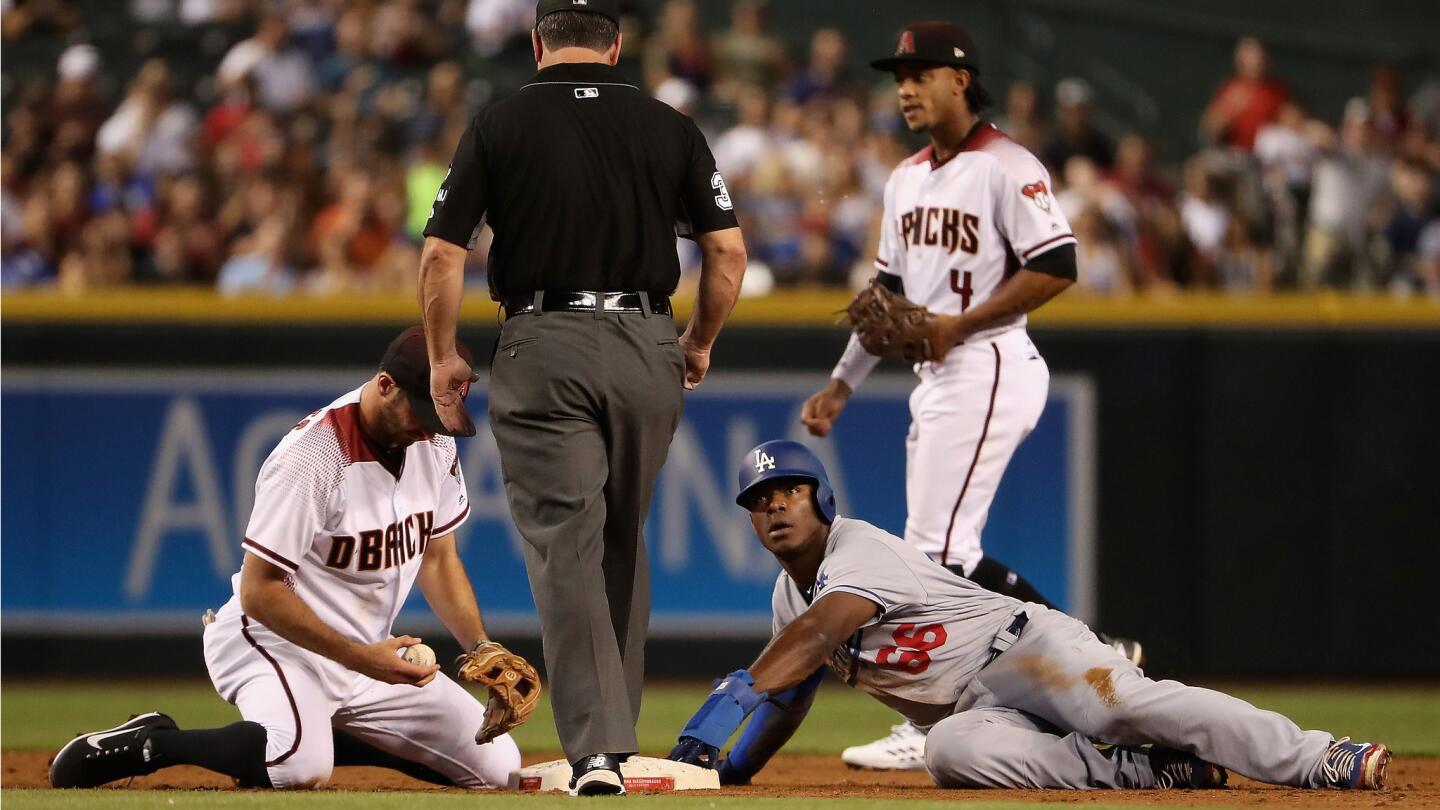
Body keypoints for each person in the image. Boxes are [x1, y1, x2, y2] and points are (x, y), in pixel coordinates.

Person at [416, 0, 747, 795]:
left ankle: (596, 751)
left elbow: (439, 254)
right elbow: (728, 253)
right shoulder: (670, 124)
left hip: (544, 338)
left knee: (568, 542)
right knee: (620, 540)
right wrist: (697, 341)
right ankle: (615, 742)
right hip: (648, 343)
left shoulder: (500, 123)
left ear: (537, 44)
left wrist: (438, 357)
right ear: (618, 47)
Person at [667, 440, 1392, 792]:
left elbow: (819, 637)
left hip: (1030, 654)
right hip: (971, 710)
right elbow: (789, 698)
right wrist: (728, 771)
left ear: (821, 500)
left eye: (789, 491)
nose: (774, 507)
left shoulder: (857, 549)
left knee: (1124, 706)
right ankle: (1148, 777)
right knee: (948, 755)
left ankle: (1321, 757)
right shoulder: (784, 600)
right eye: (760, 501)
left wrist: (723, 703)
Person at [799, 21, 1136, 770]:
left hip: (988, 361)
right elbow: (883, 298)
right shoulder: (905, 177)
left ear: (960, 80)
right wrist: (841, 383)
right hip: (941, 372)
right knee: (949, 551)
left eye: (920, 74)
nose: (906, 89)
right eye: (898, 77)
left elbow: (1058, 264)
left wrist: (961, 325)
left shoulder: (1008, 164)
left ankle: (930, 724)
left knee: (932, 554)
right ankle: (1095, 653)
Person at [49, 328, 527, 791]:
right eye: (422, 412)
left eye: (439, 416)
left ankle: (319, 730)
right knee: (299, 767)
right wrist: (362, 659)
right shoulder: (314, 457)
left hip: (365, 653)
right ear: (385, 385)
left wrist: (481, 645)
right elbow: (261, 590)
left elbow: (438, 560)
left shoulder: (434, 440)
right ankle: (156, 743)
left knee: (499, 765)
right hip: (274, 643)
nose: (429, 429)